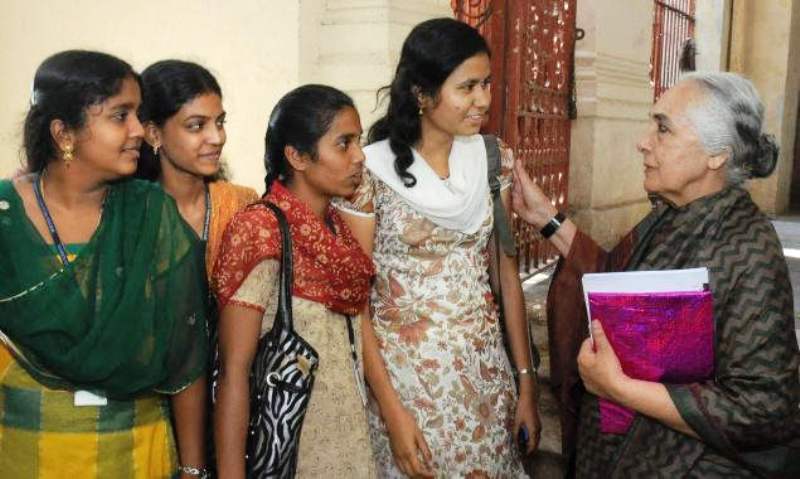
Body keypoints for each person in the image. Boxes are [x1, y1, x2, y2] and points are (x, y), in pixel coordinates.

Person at [512, 72, 800, 477]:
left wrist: (618, 388)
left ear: (716, 155)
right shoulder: (673, 215)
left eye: (663, 129)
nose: (643, 142)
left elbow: (765, 409)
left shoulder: (748, 249)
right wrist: (546, 218)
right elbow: (619, 288)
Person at [336, 17, 540, 478]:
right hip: (407, 386)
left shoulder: (491, 159)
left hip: (485, 379)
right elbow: (355, 304)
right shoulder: (370, 174)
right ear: (422, 94)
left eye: (486, 84)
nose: (483, 99)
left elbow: (506, 276)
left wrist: (525, 384)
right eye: (467, 87)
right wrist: (392, 412)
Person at [0, 50, 209, 478]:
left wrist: (192, 469)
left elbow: (185, 356)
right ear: (64, 132)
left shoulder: (149, 214)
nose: (139, 130)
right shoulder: (6, 219)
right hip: (24, 448)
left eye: (138, 114)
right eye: (120, 115)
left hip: (134, 449)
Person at [212, 84, 376, 478]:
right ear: (297, 156)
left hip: (348, 444)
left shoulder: (337, 232)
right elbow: (234, 371)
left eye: (358, 141)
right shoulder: (262, 230)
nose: (359, 156)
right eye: (344, 144)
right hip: (287, 453)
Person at [136, 60, 258, 278]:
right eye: (196, 126)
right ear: (154, 134)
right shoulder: (130, 214)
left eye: (220, 123)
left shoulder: (241, 205)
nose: (217, 138)